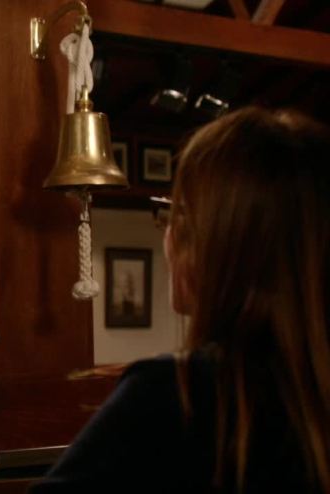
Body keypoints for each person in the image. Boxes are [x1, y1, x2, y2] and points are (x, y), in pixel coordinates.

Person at [30, 107, 330, 493]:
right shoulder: (309, 396)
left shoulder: (175, 394)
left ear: (224, 246)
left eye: (179, 214)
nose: (168, 235)